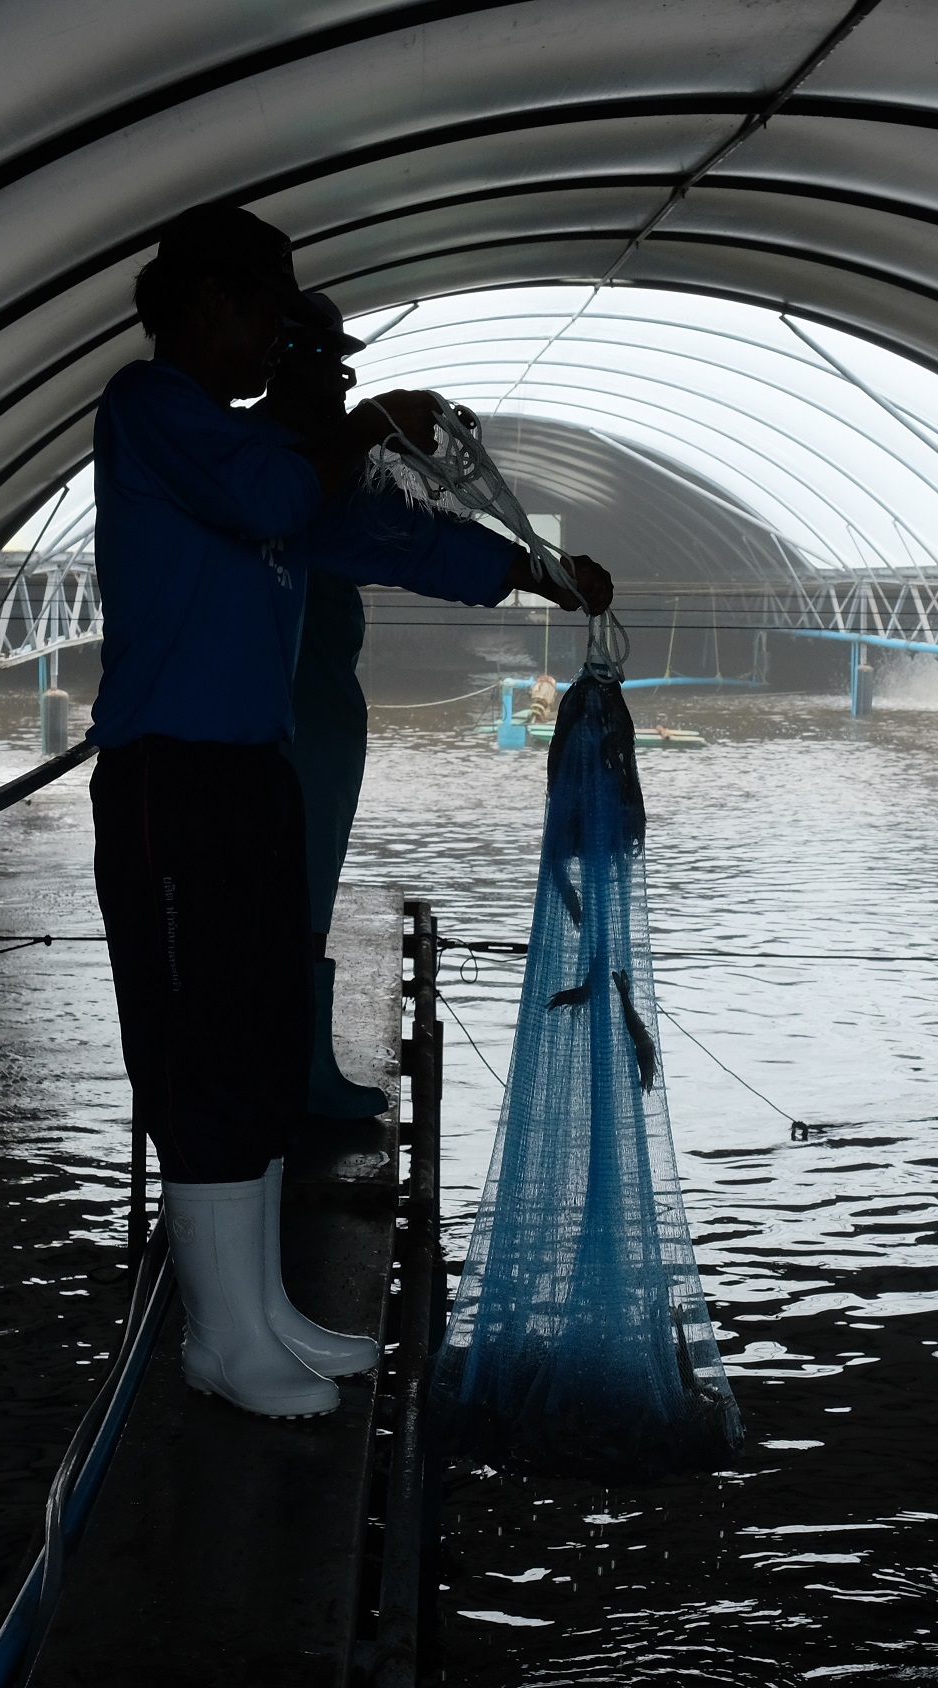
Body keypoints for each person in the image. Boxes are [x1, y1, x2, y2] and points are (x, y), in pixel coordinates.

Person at [87, 206, 594, 1420]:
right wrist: (354, 418)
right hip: (172, 779)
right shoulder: (154, 415)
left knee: (256, 1039)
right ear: (204, 307)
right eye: (270, 320)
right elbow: (278, 499)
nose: (280, 349)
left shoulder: (269, 458)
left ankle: (260, 1313)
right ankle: (219, 1339)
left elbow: (383, 531)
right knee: (200, 1049)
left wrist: (535, 570)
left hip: (249, 772)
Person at [255, 293, 612, 1123]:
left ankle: (289, 1070)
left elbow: (406, 530)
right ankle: (284, 1085)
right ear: (274, 363)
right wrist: (531, 574)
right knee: (280, 897)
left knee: (297, 897)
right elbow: (393, 537)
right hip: (284, 728)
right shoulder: (277, 469)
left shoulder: (316, 462)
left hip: (314, 724)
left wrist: (538, 573)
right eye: (320, 367)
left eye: (341, 371)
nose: (336, 387)